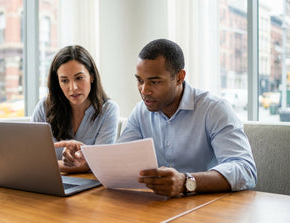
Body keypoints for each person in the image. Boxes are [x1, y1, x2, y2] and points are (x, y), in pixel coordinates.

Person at [60, 39, 257, 197]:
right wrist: (87, 156)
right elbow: (119, 160)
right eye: (139, 81)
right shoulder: (141, 112)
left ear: (180, 77)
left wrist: (186, 182)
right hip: (158, 208)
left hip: (208, 207)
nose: (144, 91)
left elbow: (245, 170)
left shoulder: (214, 109)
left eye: (154, 82)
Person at [31, 45, 119, 173]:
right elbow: (31, 155)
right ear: (58, 83)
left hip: (90, 187)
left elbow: (101, 162)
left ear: (92, 76)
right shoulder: (45, 106)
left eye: (79, 78)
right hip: (49, 182)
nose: (73, 88)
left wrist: (47, 165)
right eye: (64, 81)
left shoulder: (108, 110)